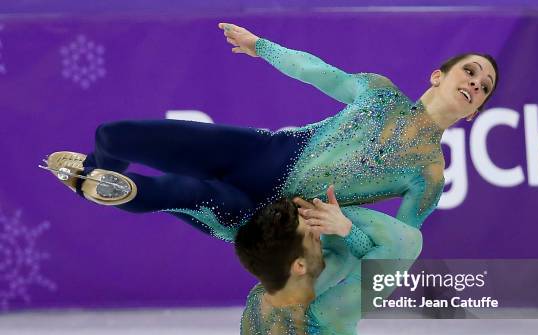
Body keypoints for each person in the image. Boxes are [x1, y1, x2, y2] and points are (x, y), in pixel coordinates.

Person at [41, 23, 498, 241]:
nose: (476, 83)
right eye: (471, 71)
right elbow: (319, 72)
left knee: (176, 191)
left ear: (476, 111)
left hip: (272, 215)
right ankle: (93, 175)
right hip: (261, 151)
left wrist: (345, 230)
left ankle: (103, 187)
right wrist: (261, 47)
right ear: (439, 75)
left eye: (485, 88)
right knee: (115, 136)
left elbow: (397, 255)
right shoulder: (379, 93)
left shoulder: (429, 175)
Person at [235, 185, 422, 335]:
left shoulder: (256, 305)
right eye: (313, 235)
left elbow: (336, 257)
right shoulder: (329, 315)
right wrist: (345, 224)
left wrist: (329, 224)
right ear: (299, 266)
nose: (319, 235)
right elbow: (407, 242)